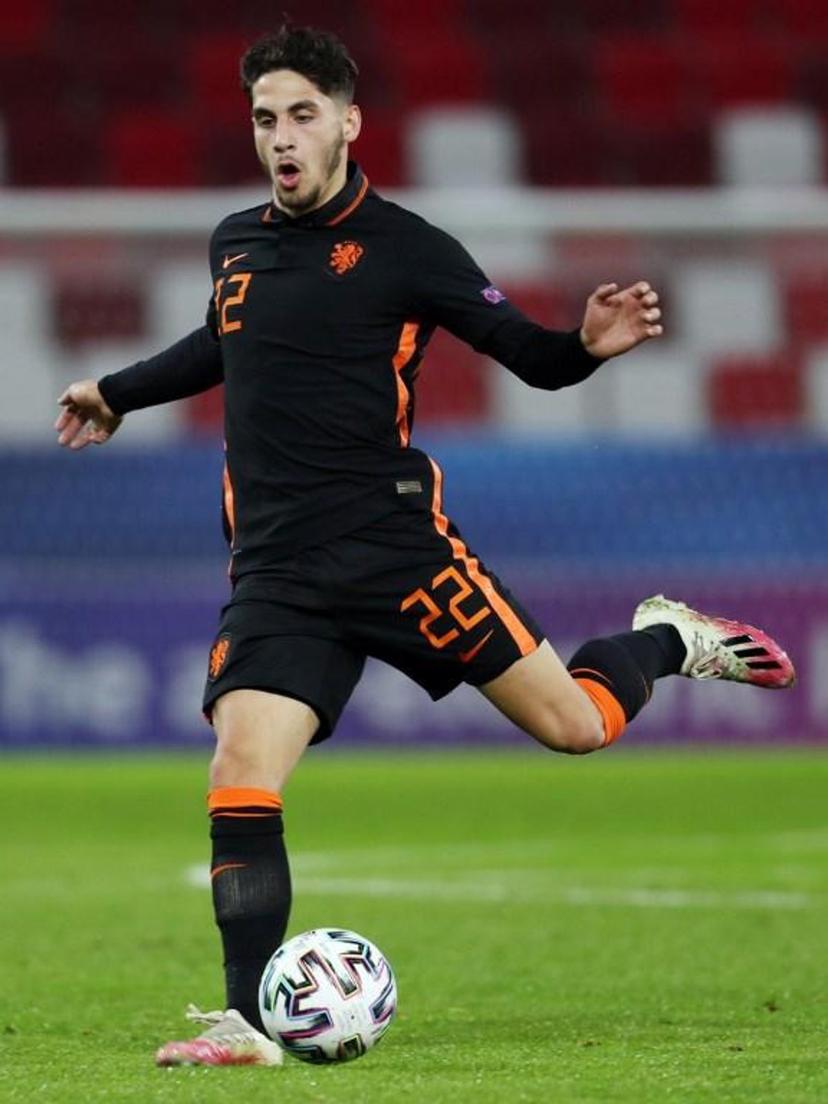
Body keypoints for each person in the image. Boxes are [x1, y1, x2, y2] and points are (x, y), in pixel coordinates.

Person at [54, 24, 795, 1068]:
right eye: (266, 118)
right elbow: (223, 339)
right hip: (277, 568)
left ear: (349, 123)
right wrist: (115, 393)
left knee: (577, 726)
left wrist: (584, 344)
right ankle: (249, 1023)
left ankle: (667, 640)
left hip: (397, 553)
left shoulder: (408, 248)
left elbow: (529, 357)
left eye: (302, 115)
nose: (282, 138)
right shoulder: (236, 240)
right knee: (240, 770)